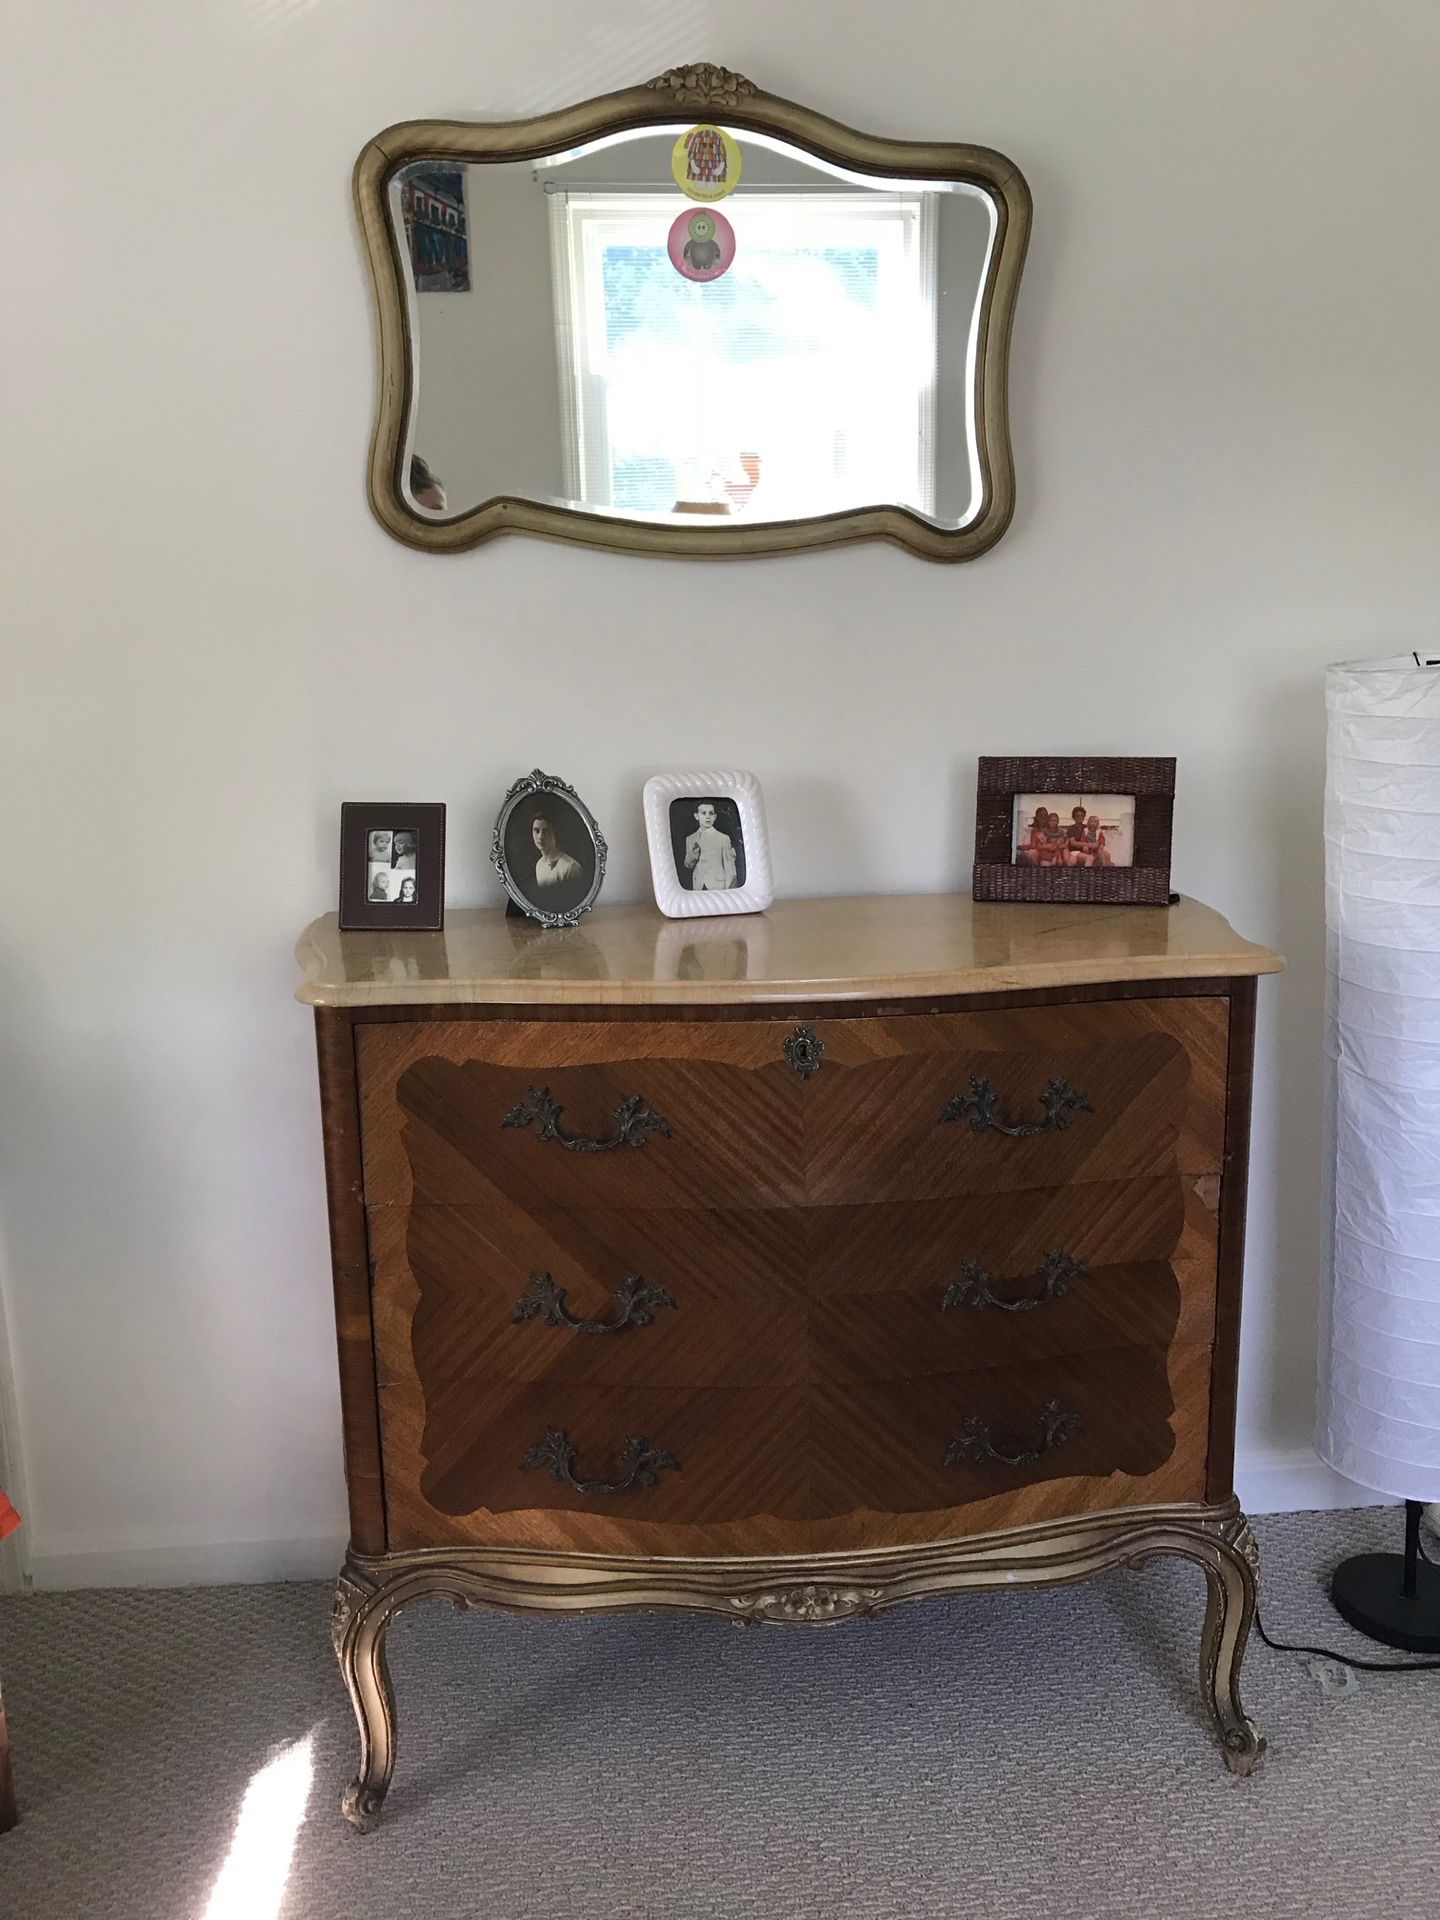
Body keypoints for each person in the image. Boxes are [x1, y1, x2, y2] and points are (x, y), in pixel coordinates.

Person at [684, 801, 737, 890]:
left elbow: (730, 867)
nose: (708, 816)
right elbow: (688, 865)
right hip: (699, 884)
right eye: (703, 813)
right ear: (696, 816)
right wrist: (693, 854)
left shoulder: (723, 838)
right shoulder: (691, 838)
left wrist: (729, 889)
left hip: (718, 885)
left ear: (715, 817)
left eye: (711, 813)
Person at [532, 814, 581, 890]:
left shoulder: (570, 868)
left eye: (546, 831)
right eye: (537, 831)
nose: (540, 836)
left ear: (554, 833)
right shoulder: (539, 865)